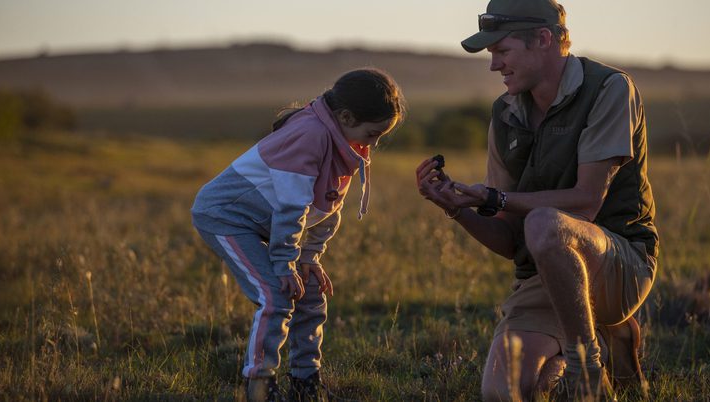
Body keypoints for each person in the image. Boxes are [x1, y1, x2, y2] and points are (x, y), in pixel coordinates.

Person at [416, 0, 658, 400]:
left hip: (619, 263)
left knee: (545, 223)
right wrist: (457, 209)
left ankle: (586, 368)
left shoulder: (609, 89)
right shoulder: (505, 114)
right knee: (502, 392)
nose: (494, 65)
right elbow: (511, 241)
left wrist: (496, 197)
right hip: (544, 276)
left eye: (502, 50)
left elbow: (585, 203)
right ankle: (601, 336)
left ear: (543, 39)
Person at [192, 68, 405, 402]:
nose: (373, 144)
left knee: (310, 290)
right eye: (372, 133)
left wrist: (309, 257)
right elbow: (292, 207)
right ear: (346, 116)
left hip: (267, 222)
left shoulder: (345, 142)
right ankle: (260, 386)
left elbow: (328, 205)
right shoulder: (310, 134)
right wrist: (284, 264)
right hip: (225, 217)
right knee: (276, 295)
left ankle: (305, 383)